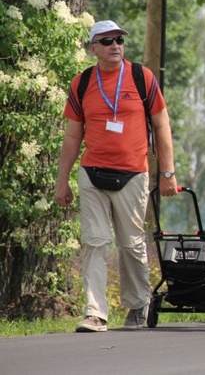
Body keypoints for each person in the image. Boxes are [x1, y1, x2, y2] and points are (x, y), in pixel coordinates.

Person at [55, 20, 178, 332]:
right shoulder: (82, 82)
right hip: (92, 172)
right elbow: (72, 137)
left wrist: (167, 172)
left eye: (119, 40)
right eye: (107, 41)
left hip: (133, 173)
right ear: (93, 48)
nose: (115, 46)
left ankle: (138, 305)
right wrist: (62, 180)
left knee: (131, 243)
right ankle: (95, 313)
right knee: (94, 242)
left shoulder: (141, 77)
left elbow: (162, 125)